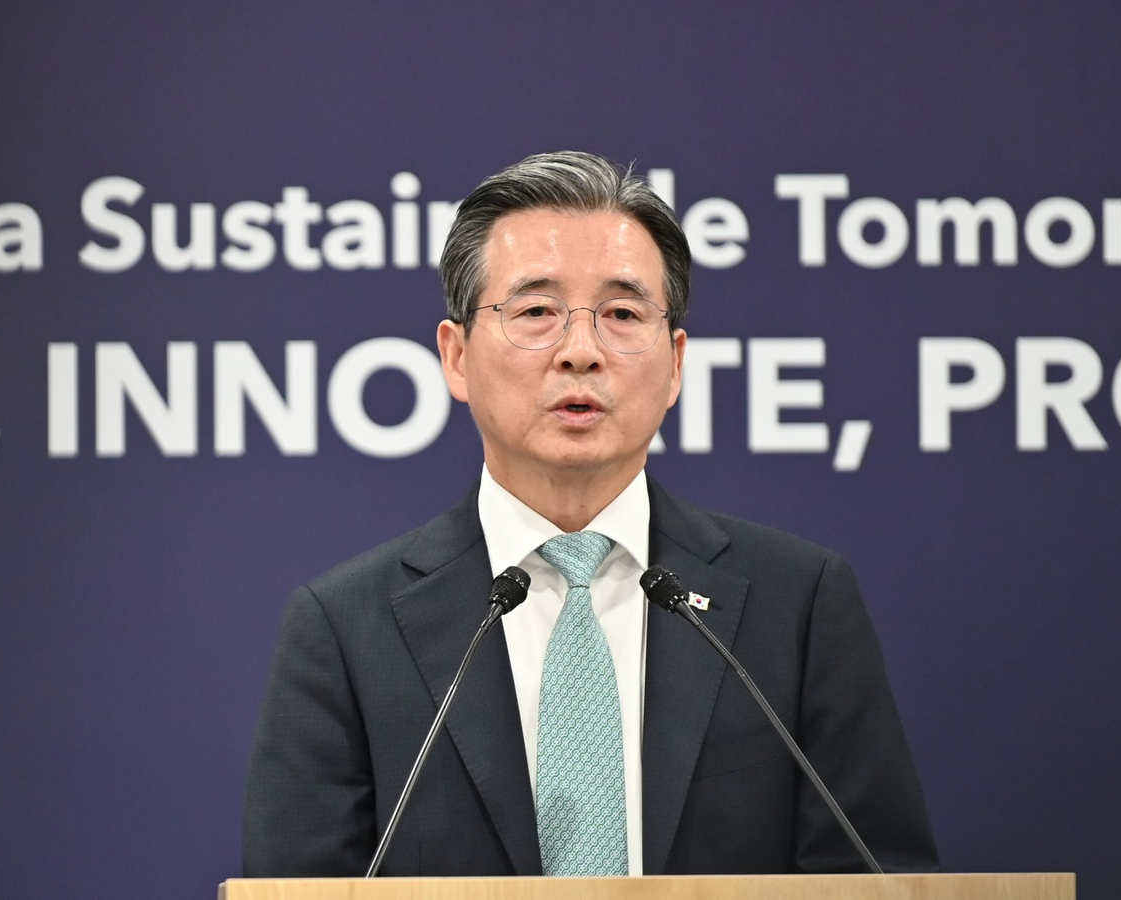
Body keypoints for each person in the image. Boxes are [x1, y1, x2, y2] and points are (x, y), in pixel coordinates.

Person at [243, 151, 938, 877]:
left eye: (622, 314)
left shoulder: (798, 604)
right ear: (456, 357)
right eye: (536, 312)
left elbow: (876, 878)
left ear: (676, 363)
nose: (581, 352)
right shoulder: (345, 627)